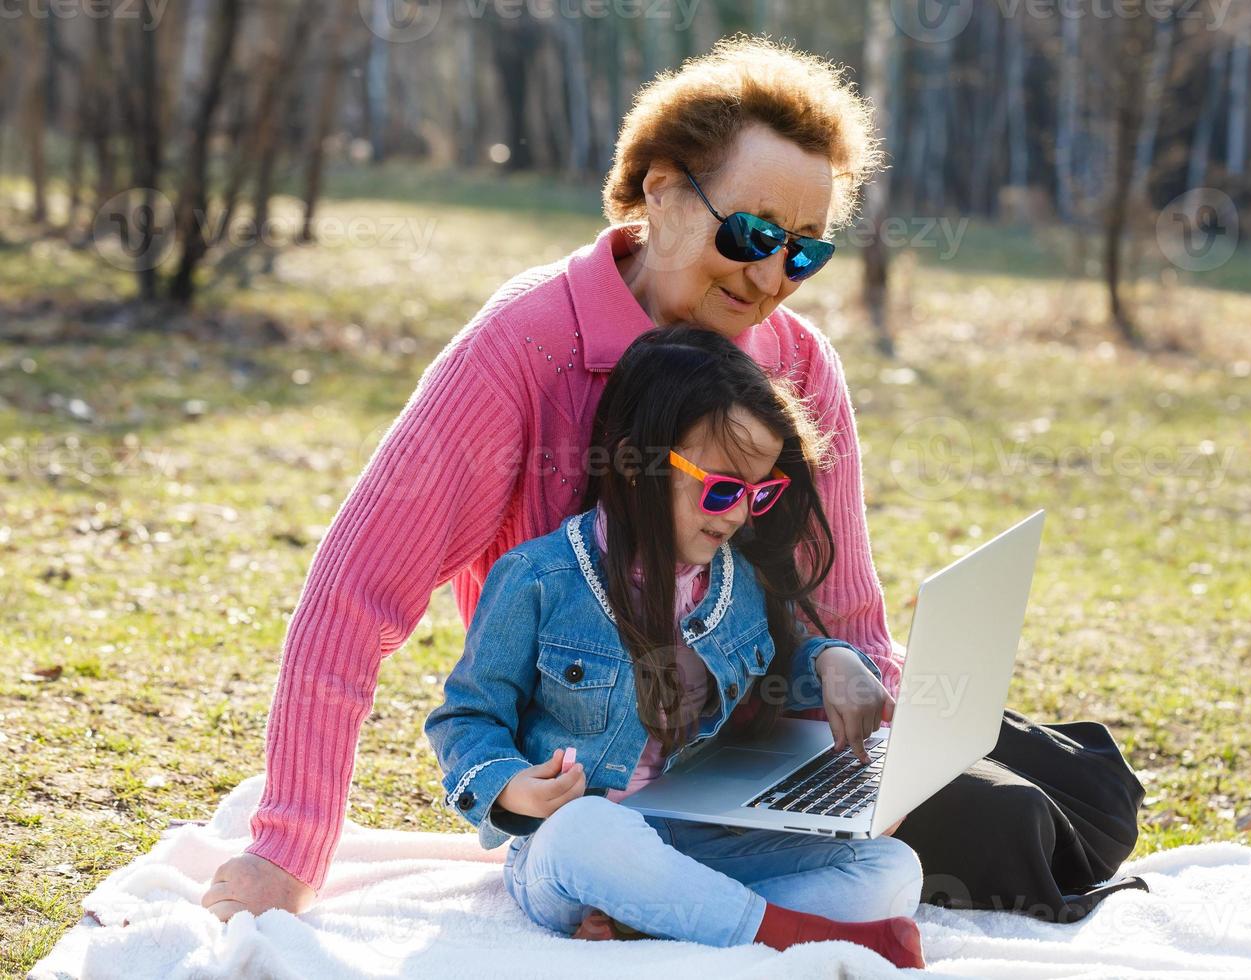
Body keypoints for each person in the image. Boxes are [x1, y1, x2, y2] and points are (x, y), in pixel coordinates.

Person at [202, 35, 1144, 925]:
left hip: (767, 719)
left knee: (1077, 800)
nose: (773, 274)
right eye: (751, 231)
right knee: (1007, 829)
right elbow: (355, 592)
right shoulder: (525, 351)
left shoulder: (799, 364)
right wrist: (289, 849)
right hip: (604, 767)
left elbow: (841, 603)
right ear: (661, 193)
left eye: (805, 250)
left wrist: (880, 722)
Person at [424, 326, 924, 967]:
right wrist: (511, 787)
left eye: (758, 492)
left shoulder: (735, 579)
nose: (738, 515)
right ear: (634, 466)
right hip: (570, 852)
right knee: (586, 830)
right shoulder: (539, 579)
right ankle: (785, 935)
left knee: (891, 867)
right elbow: (466, 717)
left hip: (695, 839)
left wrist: (833, 660)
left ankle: (660, 920)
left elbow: (777, 659)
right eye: (721, 489)